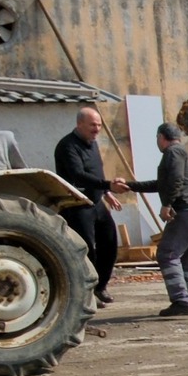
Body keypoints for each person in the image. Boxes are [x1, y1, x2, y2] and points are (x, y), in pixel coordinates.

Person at [114, 123, 188, 319]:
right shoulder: (182, 153)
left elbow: (175, 180)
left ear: (160, 137)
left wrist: (167, 204)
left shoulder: (172, 153)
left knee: (167, 254)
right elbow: (162, 184)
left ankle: (181, 300)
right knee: (187, 258)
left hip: (186, 211)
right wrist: (130, 186)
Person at [53, 107, 122, 305]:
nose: (97, 129)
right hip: (77, 204)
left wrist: (107, 193)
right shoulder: (67, 146)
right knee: (87, 250)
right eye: (93, 125)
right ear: (80, 124)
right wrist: (108, 184)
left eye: (99, 125)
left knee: (109, 243)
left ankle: (101, 287)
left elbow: (96, 172)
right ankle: (87, 293)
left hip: (96, 202)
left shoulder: (92, 144)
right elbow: (78, 175)